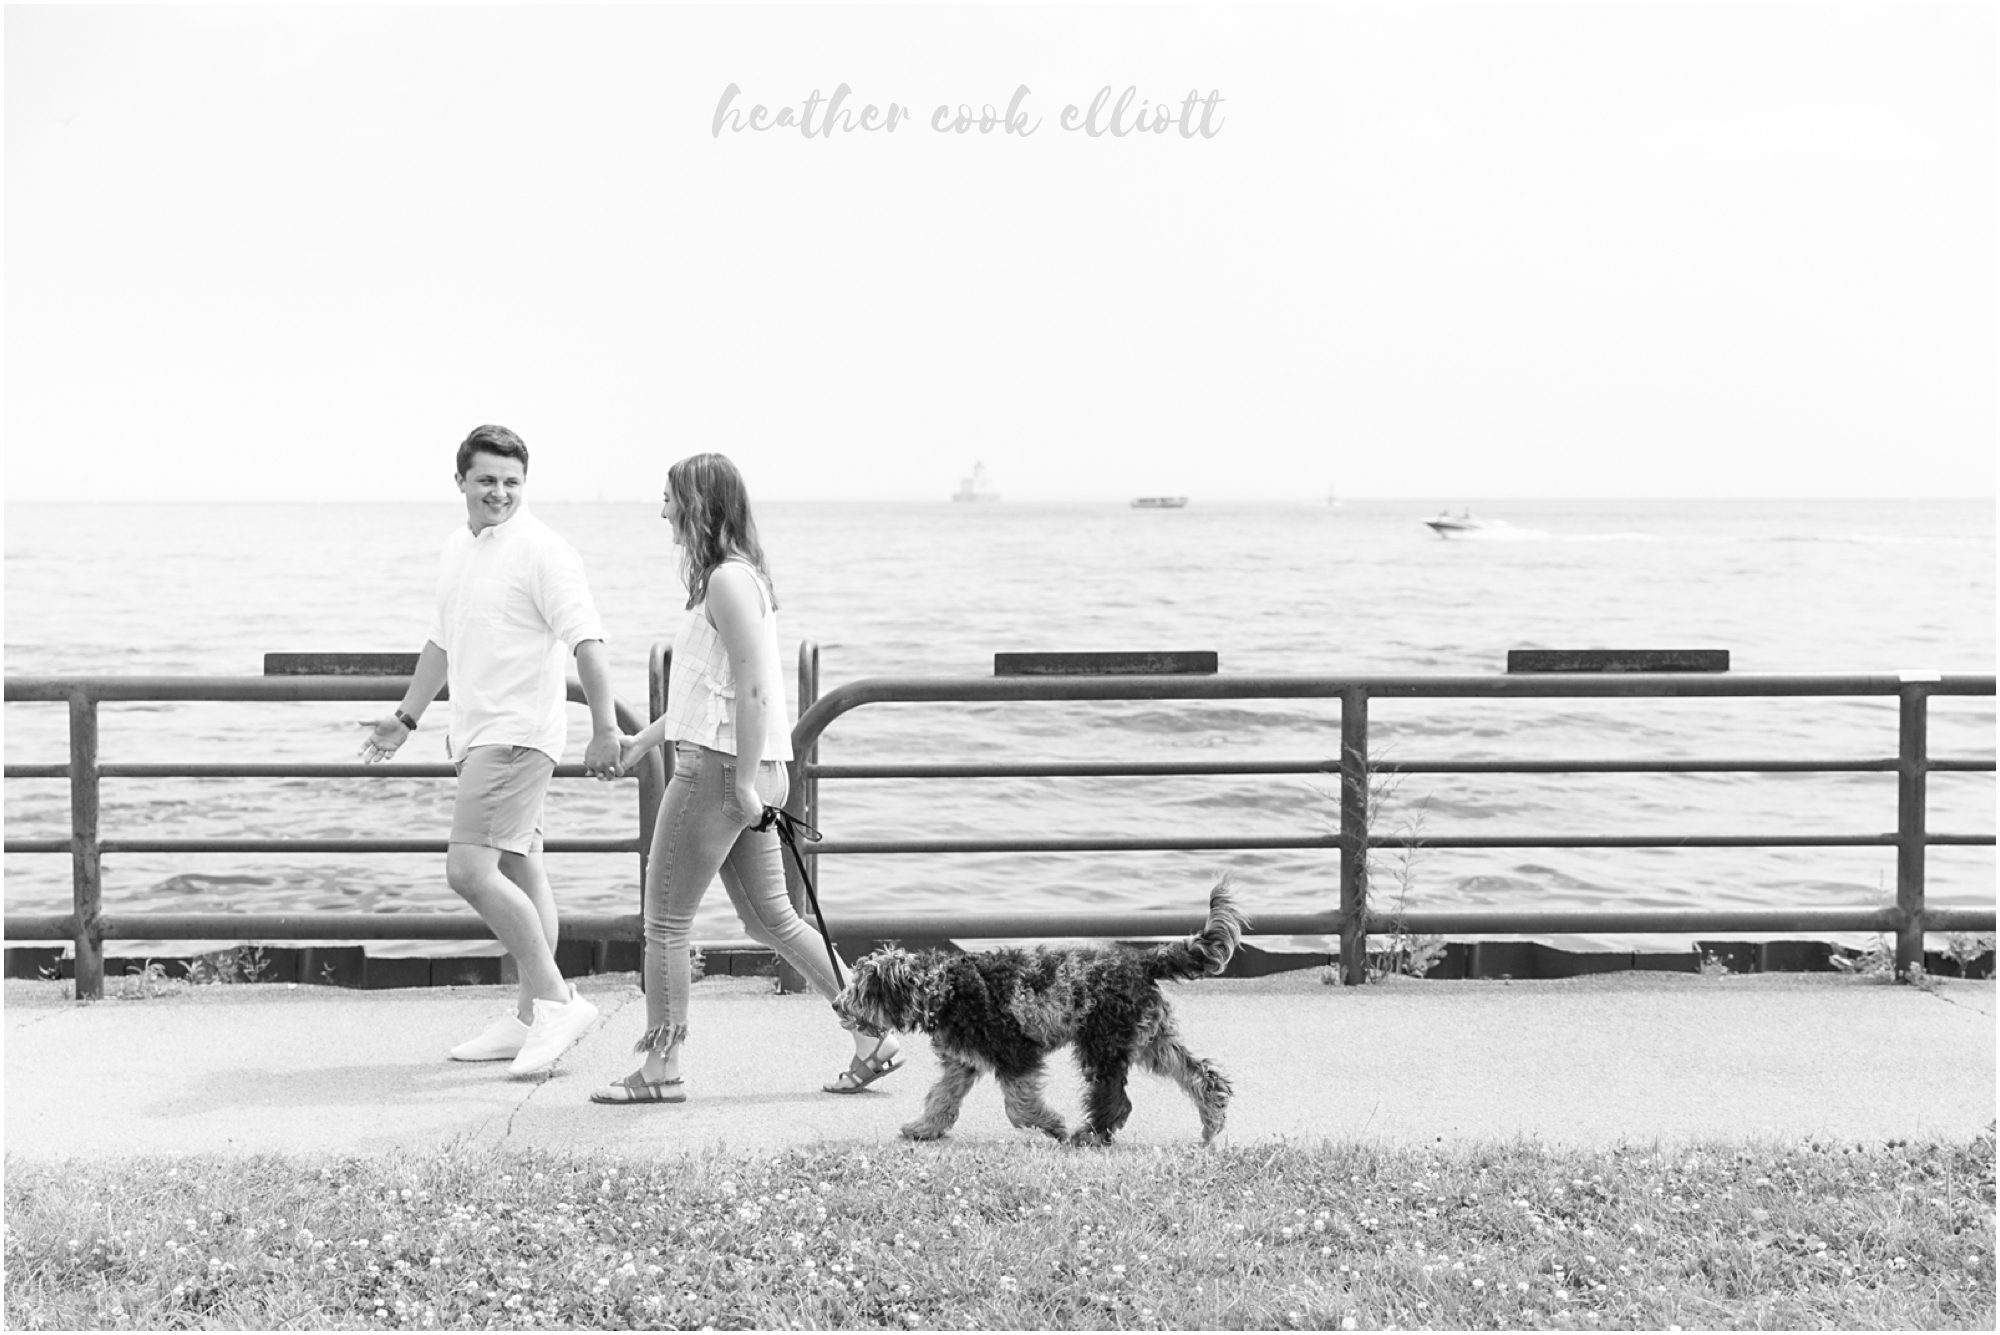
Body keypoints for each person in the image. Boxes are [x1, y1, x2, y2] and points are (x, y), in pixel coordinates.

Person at [593, 451, 900, 1104]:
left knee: (667, 923)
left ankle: (661, 1070)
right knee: (773, 920)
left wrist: (740, 787)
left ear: (700, 504)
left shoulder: (728, 583)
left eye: (671, 498)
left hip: (722, 772)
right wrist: (641, 740)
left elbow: (758, 688)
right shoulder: (736, 578)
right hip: (748, 767)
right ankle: (873, 1033)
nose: (664, 510)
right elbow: (710, 693)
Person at [360, 424, 622, 1076]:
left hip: (518, 734)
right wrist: (406, 717)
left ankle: (558, 1003)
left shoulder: (544, 550)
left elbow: (587, 639)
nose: (499, 492)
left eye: (511, 481)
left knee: (469, 870)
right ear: (461, 482)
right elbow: (441, 641)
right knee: (523, 869)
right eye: (487, 480)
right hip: (476, 734)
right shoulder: (458, 547)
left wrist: (607, 727)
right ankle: (531, 1016)